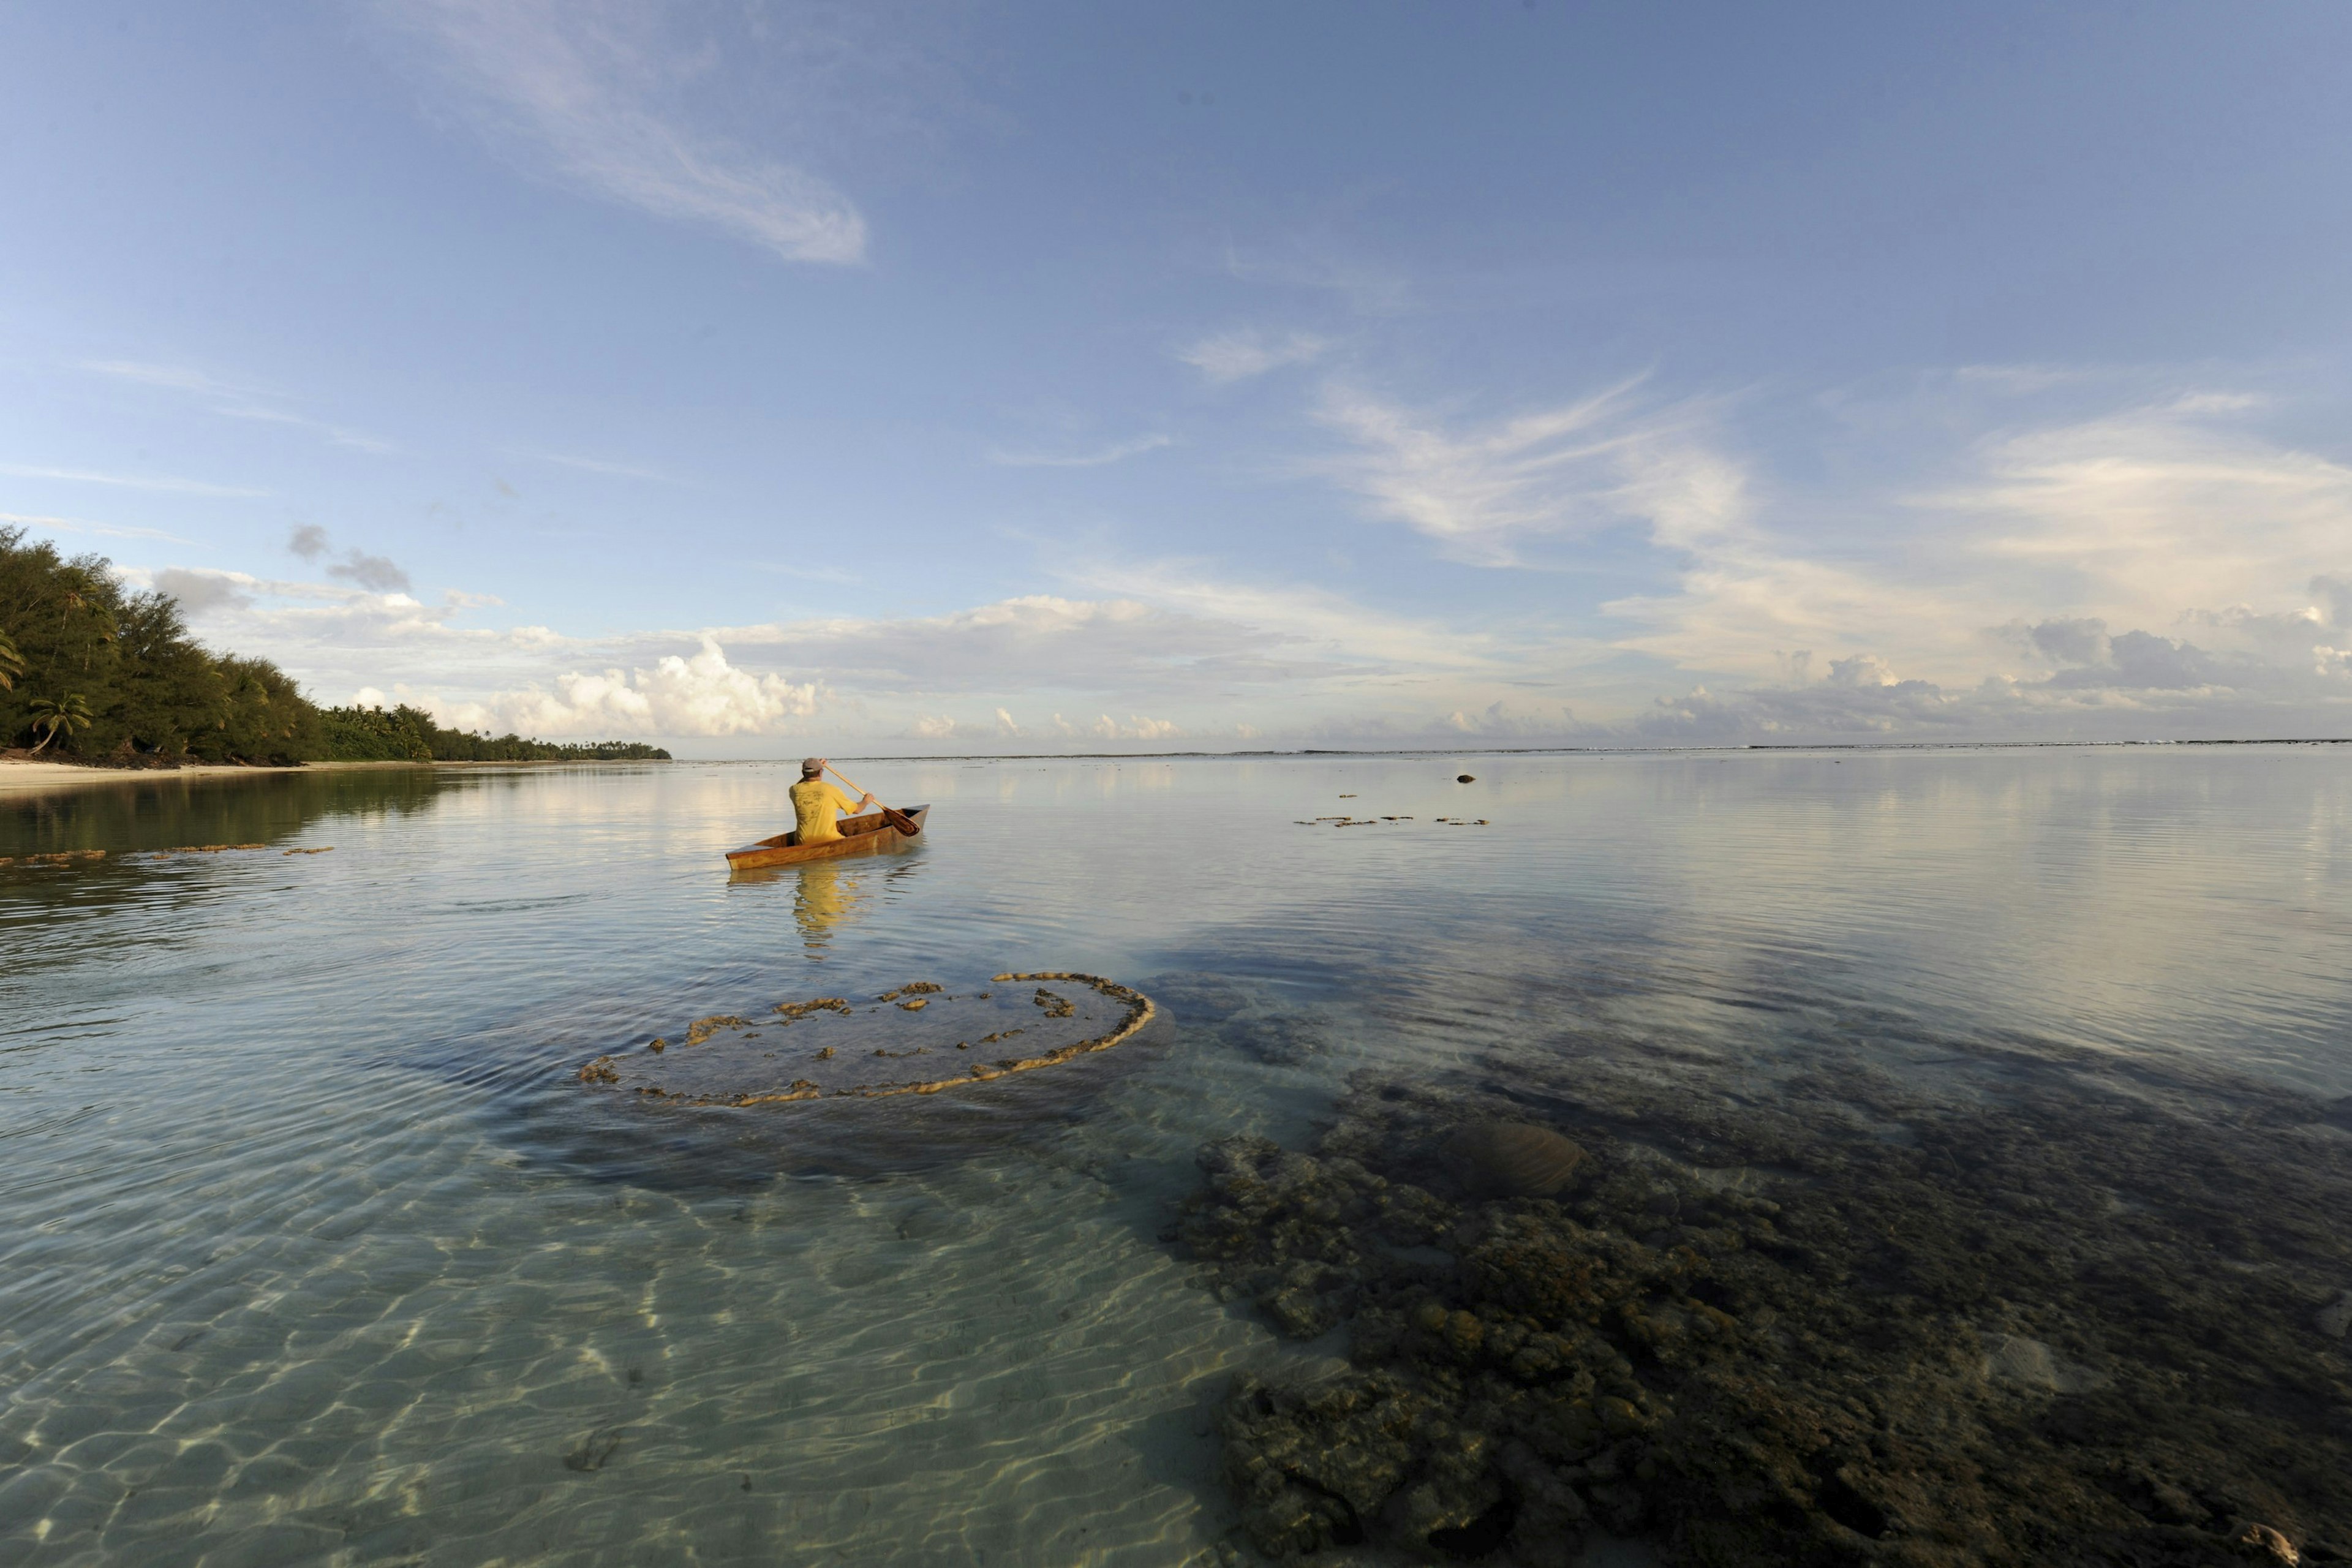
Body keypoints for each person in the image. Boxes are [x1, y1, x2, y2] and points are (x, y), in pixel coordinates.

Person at [788, 758, 873, 844]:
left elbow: (800, 784)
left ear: (803, 773)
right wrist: (865, 801)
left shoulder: (794, 790)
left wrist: (813, 771)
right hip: (829, 840)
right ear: (821, 772)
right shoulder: (831, 790)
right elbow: (857, 810)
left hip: (802, 842)